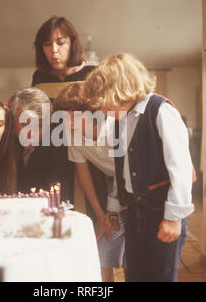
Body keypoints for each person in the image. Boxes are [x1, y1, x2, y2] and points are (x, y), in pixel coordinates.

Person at [84, 53, 194, 282]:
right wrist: (114, 208)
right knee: (134, 274)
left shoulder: (161, 112)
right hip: (132, 213)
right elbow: (120, 171)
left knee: (159, 276)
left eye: (104, 104)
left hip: (161, 212)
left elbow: (181, 169)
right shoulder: (118, 121)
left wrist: (174, 217)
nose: (102, 111)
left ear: (119, 92)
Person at [53, 82, 127, 282]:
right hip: (112, 185)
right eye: (63, 118)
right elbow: (83, 175)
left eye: (72, 118)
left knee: (133, 254)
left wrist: (111, 212)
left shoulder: (115, 126)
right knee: (101, 249)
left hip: (132, 185)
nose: (66, 124)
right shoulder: (72, 135)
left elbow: (126, 174)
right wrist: (102, 215)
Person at [32, 15, 104, 212]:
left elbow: (102, 119)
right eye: (47, 45)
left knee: (89, 208)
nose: (54, 50)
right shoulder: (40, 77)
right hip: (51, 152)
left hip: (86, 152)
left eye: (60, 43)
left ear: (73, 42)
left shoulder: (92, 73)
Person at [8, 87, 66, 193]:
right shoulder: (1, 140)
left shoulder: (57, 147)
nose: (31, 133)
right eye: (25, 125)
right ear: (12, 121)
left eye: (39, 126)